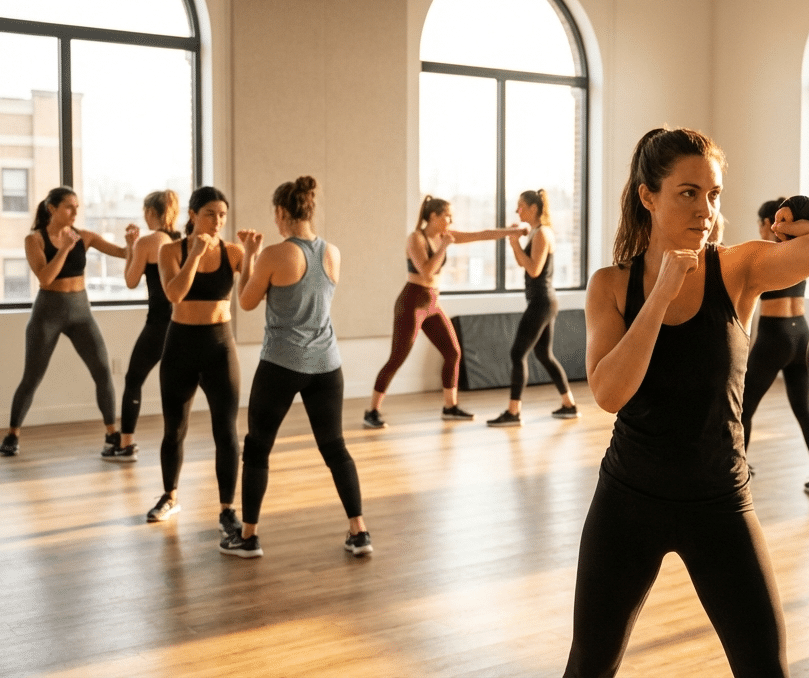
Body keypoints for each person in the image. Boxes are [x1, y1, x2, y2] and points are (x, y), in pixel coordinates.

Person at [566, 127, 809, 678]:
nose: (705, 208)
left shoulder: (737, 269)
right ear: (648, 196)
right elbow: (609, 392)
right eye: (688, 192)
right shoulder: (611, 286)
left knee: (765, 668)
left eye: (713, 194)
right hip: (628, 502)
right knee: (589, 665)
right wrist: (660, 294)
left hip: (720, 503)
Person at [221, 176, 370, 559]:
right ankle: (359, 532)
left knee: (257, 447)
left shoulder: (275, 254)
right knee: (335, 447)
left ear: (282, 212)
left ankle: (249, 537)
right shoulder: (332, 252)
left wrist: (250, 253)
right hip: (326, 364)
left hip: (282, 365)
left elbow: (248, 301)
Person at [363, 196, 525, 428]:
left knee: (453, 352)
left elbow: (481, 234)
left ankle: (450, 407)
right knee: (397, 358)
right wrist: (445, 246)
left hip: (431, 303)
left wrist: (510, 232)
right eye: (447, 215)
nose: (451, 220)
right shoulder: (416, 238)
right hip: (412, 302)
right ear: (433, 216)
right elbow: (427, 272)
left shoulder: (444, 236)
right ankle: (372, 411)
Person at [145, 186, 246, 542]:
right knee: (174, 429)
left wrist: (255, 253)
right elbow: (174, 294)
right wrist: (196, 254)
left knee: (227, 432)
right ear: (192, 215)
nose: (217, 221)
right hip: (181, 345)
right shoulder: (170, 250)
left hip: (220, 346)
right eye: (210, 214)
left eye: (222, 214)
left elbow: (249, 297)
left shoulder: (233, 251)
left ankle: (227, 509)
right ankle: (170, 496)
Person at [1, 187, 127, 458]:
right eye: (69, 207)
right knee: (32, 377)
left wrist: (134, 242)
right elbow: (45, 278)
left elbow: (123, 253)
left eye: (77, 207)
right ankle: (12, 434)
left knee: (103, 371)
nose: (75, 212)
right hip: (48, 314)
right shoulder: (34, 240)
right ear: (51, 209)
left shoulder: (86, 236)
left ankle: (111, 433)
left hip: (81, 313)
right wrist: (65, 249)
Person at [739, 197, 809, 497]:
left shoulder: (767, 253)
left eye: (760, 224)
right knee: (803, 409)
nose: (759, 229)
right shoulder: (801, 252)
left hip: (774, 336)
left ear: (768, 224)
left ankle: (738, 471)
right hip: (802, 335)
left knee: (742, 407)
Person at [487, 189, 579, 428]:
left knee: (518, 354)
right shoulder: (538, 232)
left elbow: (533, 269)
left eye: (521, 206)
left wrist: (515, 242)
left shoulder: (541, 234)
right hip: (543, 302)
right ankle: (569, 405)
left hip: (541, 302)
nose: (517, 210)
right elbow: (523, 262)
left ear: (533, 208)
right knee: (543, 354)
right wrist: (515, 242)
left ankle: (513, 412)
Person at [104, 190, 181, 463]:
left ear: (151, 212)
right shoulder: (181, 240)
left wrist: (131, 247)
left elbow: (130, 280)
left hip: (159, 324)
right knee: (185, 385)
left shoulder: (148, 242)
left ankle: (126, 445)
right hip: (183, 322)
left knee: (133, 380)